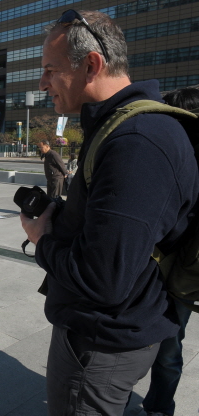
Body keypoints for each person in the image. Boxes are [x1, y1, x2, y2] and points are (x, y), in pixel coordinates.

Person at [20, 9, 199, 416]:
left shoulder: (137, 141)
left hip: (101, 342)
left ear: (91, 64)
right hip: (107, 332)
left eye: (50, 69)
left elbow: (103, 278)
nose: (42, 83)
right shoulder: (118, 126)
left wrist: (42, 240)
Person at [142, 87, 199, 416]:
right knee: (169, 348)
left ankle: (159, 408)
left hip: (178, 270)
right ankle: (158, 408)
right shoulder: (171, 154)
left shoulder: (185, 158)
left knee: (168, 349)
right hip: (169, 269)